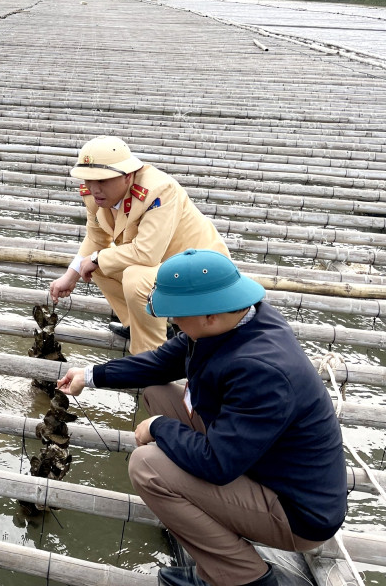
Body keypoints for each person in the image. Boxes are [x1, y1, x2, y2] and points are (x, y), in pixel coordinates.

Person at [57, 249, 347, 586]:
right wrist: (91, 376)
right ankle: (199, 515)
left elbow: (217, 464)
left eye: (177, 315)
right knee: (157, 391)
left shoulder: (262, 371)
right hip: (258, 461)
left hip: (296, 512)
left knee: (146, 465)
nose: (173, 323)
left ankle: (243, 577)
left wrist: (159, 427)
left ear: (208, 315)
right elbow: (161, 363)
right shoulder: (238, 320)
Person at [49, 135, 229, 353]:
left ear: (128, 176)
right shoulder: (93, 197)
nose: (94, 188)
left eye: (102, 180)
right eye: (88, 180)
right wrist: (71, 275)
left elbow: (147, 254)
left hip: (199, 268)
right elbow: (96, 239)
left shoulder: (159, 190)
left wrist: (96, 259)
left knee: (131, 275)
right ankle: (139, 326)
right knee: (94, 265)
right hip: (161, 267)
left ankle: (151, 353)